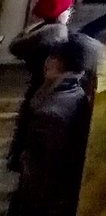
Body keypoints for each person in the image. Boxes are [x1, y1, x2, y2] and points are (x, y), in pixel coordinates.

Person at [11, 39, 92, 216]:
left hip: (44, 201)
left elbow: (43, 171)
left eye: (54, 57)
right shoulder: (76, 92)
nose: (47, 62)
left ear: (68, 63)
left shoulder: (50, 114)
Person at [8, 0, 76, 173]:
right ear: (60, 11)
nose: (70, 13)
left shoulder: (37, 31)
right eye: (68, 9)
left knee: (28, 124)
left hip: (36, 88)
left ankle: (19, 159)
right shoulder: (57, 34)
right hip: (49, 89)